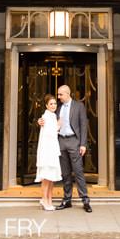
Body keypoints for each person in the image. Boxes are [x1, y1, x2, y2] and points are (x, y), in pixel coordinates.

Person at [39, 84, 92, 212]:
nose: (58, 97)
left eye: (60, 94)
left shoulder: (79, 106)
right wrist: (40, 121)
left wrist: (83, 144)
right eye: (58, 95)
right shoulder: (58, 107)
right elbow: (48, 119)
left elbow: (84, 125)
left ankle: (85, 200)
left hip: (74, 141)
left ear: (67, 94)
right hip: (60, 142)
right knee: (66, 173)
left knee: (78, 171)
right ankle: (67, 200)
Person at [35, 94, 62, 211]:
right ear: (46, 105)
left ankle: (49, 200)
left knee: (51, 179)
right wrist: (58, 126)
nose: (53, 105)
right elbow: (49, 134)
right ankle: (44, 199)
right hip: (47, 151)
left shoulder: (53, 116)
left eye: (55, 103)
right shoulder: (45, 116)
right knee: (46, 178)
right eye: (51, 104)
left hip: (52, 150)